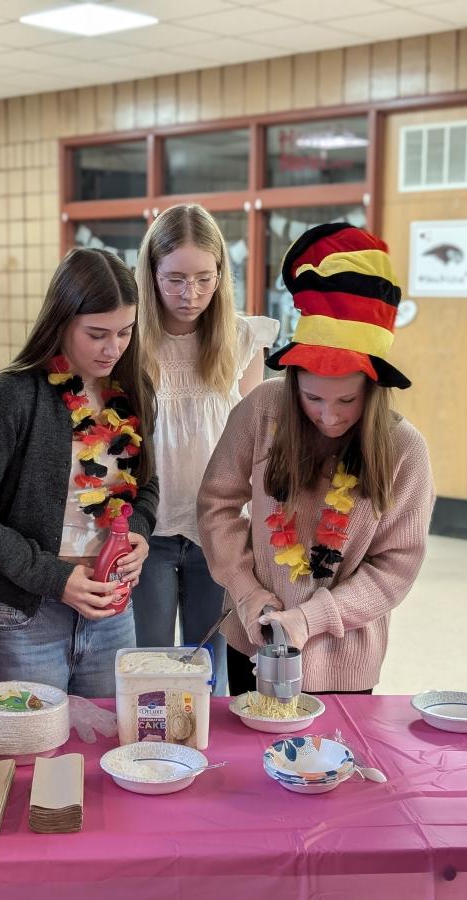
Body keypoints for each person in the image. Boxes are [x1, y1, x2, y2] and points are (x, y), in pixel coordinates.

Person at [197, 222, 434, 696]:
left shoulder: (405, 449)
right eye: (312, 398)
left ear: (374, 387)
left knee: (334, 763)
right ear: (292, 383)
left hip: (347, 660)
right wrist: (246, 591)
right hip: (254, 639)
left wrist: (314, 617)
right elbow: (216, 503)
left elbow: (396, 565)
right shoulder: (263, 409)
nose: (330, 416)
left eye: (347, 401)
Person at [0, 247, 158, 698]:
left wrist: (138, 531)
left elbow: (148, 486)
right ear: (61, 321)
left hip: (112, 612)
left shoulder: (134, 390)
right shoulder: (14, 395)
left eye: (125, 332)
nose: (113, 348)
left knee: (107, 751)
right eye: (97, 334)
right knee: (24, 758)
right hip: (26, 616)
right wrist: (54, 578)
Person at [132, 204, 279, 695]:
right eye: (174, 278)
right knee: (148, 662)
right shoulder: (129, 339)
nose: (189, 294)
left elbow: (257, 444)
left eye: (203, 278)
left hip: (220, 530)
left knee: (209, 664)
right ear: (150, 272)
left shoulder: (241, 338)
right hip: (147, 531)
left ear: (221, 274)